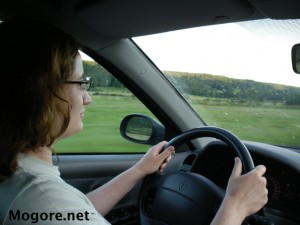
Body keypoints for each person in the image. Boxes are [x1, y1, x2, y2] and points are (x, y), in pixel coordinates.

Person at [0, 17, 268, 225]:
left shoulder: (22, 176)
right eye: (81, 83)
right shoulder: (41, 197)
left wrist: (139, 170)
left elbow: (77, 212)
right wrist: (235, 206)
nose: (87, 98)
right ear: (42, 93)